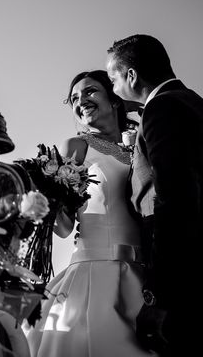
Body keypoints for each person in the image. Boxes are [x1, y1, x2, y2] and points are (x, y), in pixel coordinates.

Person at [26, 70, 153, 357]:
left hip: (143, 278)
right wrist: (44, 194)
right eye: (73, 98)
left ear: (115, 99)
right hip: (95, 274)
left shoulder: (141, 146)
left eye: (90, 91)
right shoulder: (76, 147)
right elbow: (63, 228)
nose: (80, 101)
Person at [106, 34, 203, 356]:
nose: (113, 88)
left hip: (182, 266)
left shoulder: (162, 107)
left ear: (131, 75)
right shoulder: (193, 102)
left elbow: (174, 197)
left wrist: (158, 294)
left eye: (113, 78)